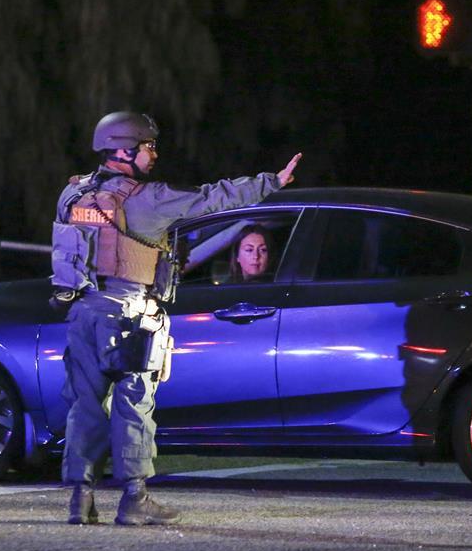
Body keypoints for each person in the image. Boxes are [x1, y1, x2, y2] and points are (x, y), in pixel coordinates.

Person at [51, 111, 301, 526]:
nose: (154, 154)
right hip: (130, 314)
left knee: (85, 406)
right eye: (148, 146)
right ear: (124, 150)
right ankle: (134, 499)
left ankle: (81, 497)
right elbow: (212, 198)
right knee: (134, 405)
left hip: (83, 311)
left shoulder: (73, 193)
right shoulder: (148, 198)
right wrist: (270, 182)